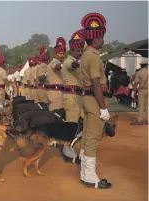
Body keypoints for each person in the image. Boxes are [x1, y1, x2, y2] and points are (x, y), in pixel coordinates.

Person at [79, 12, 111, 189]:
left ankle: (85, 173)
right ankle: (90, 177)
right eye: (102, 38)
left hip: (87, 98)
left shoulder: (85, 54)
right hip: (93, 99)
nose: (104, 41)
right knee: (93, 137)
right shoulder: (94, 56)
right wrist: (103, 107)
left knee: (86, 136)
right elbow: (96, 82)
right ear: (97, 39)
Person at [62, 29, 85, 123]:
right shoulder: (68, 61)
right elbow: (73, 65)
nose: (80, 53)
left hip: (78, 96)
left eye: (81, 50)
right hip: (71, 96)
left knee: (81, 122)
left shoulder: (78, 61)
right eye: (78, 50)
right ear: (71, 50)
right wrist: (82, 60)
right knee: (72, 123)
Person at [46, 37, 66, 111]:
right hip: (56, 94)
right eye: (60, 54)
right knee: (55, 116)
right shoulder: (54, 62)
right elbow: (56, 67)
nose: (62, 55)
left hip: (59, 93)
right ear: (55, 54)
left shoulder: (59, 62)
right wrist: (62, 65)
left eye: (63, 54)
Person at [130, 59, 148, 125]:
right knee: (147, 106)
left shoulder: (139, 72)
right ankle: (147, 120)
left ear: (141, 65)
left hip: (142, 90)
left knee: (141, 105)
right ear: (147, 65)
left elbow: (136, 83)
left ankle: (140, 120)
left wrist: (134, 92)